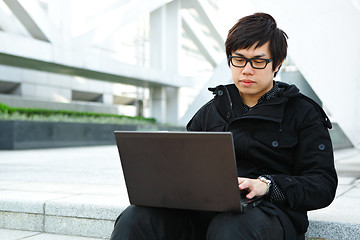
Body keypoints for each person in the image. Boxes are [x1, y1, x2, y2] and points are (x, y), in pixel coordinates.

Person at [110, 12, 337, 240]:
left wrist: (267, 185)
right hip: (205, 211)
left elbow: (322, 183)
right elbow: (184, 170)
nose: (246, 70)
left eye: (258, 61)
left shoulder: (303, 112)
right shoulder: (212, 110)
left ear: (276, 64)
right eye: (238, 59)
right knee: (136, 218)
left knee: (229, 229)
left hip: (269, 214)